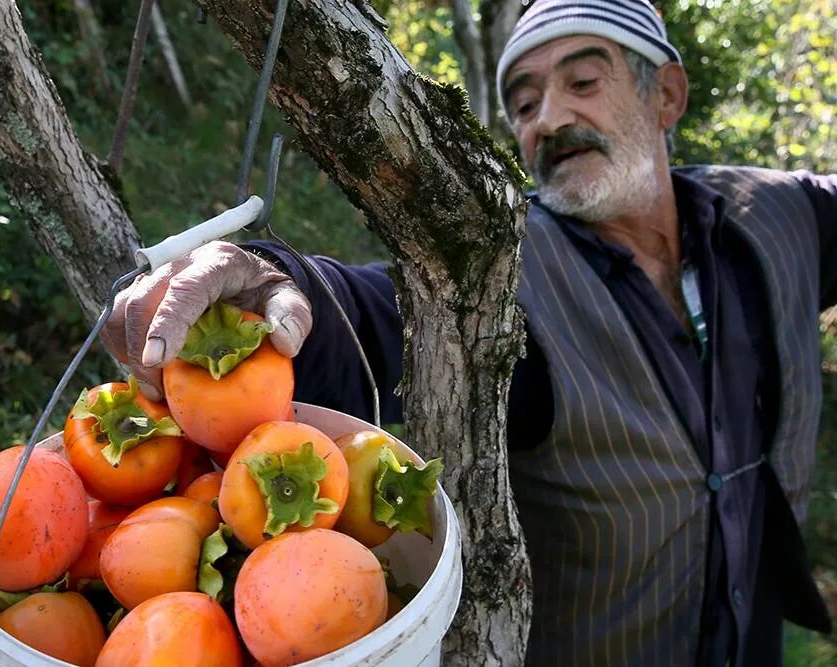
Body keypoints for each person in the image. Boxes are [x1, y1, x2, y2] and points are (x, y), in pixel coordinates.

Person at [100, 0, 836, 664]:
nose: (547, 119)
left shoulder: (780, 216)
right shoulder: (503, 273)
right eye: (524, 101)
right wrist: (261, 284)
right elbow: (375, 315)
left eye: (582, 82)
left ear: (666, 94)